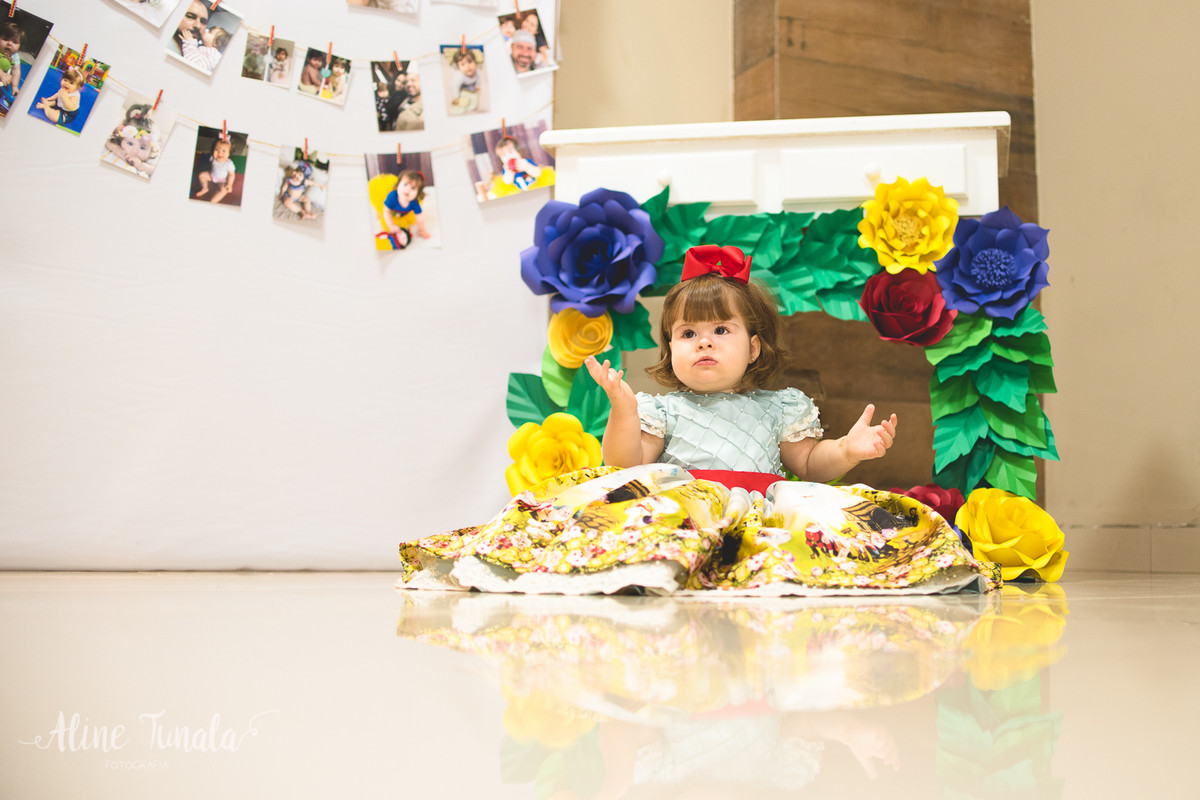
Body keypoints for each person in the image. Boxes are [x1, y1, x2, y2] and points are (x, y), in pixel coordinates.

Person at [398, 244, 999, 597]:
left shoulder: (781, 406)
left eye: (721, 329)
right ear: (669, 349)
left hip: (762, 503)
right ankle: (649, 566)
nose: (703, 342)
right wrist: (624, 409)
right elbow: (624, 464)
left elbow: (810, 465)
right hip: (689, 499)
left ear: (754, 347)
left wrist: (849, 449)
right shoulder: (665, 408)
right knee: (642, 517)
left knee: (836, 528)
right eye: (687, 333)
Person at [381, 169, 432, 247]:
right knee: (381, 211)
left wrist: (422, 230)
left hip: (403, 213)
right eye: (405, 185)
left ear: (417, 193)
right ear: (398, 185)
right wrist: (391, 225)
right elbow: (386, 211)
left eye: (413, 188)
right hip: (391, 210)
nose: (408, 189)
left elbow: (420, 217)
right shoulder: (392, 196)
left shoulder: (414, 202)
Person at [192, 136, 236, 203]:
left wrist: (229, 184)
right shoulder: (212, 158)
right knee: (201, 175)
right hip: (212, 176)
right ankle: (205, 188)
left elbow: (231, 175)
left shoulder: (229, 164)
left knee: (224, 189)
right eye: (217, 150)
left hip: (222, 180)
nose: (220, 153)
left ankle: (213, 201)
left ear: (229, 153)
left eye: (224, 151)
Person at [0, 21, 24, 112]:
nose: (9, 43)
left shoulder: (15, 56)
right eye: (5, 39)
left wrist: (14, 86)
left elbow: (16, 71)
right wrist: (2, 74)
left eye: (15, 42)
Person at [446, 48, 480, 114]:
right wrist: (456, 97)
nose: (468, 66)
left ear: (475, 62)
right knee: (463, 101)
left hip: (468, 86)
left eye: (470, 62)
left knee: (474, 100)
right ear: (458, 68)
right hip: (458, 87)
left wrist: (477, 86)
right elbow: (455, 87)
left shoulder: (476, 73)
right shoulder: (459, 77)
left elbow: (477, 80)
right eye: (463, 64)